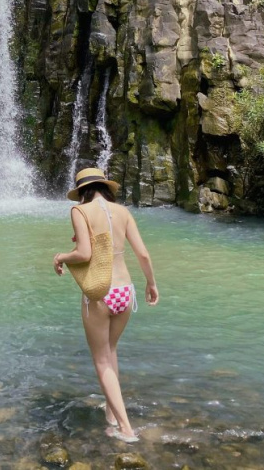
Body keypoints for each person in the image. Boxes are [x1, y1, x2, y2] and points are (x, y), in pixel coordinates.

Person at [53, 167, 159, 443]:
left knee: (101, 360)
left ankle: (125, 428)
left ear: (82, 192)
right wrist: (151, 284)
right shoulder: (122, 211)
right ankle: (111, 416)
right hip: (125, 291)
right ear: (105, 188)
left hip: (100, 293)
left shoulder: (80, 212)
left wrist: (61, 257)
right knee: (111, 351)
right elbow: (144, 254)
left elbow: (84, 253)